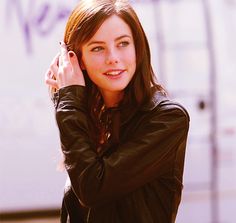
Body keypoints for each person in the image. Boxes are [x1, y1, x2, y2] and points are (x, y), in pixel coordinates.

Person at [45, 0, 190, 222]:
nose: (113, 57)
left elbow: (92, 188)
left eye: (123, 43)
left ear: (138, 48)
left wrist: (68, 103)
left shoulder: (167, 119)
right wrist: (66, 99)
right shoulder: (89, 115)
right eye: (97, 48)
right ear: (76, 60)